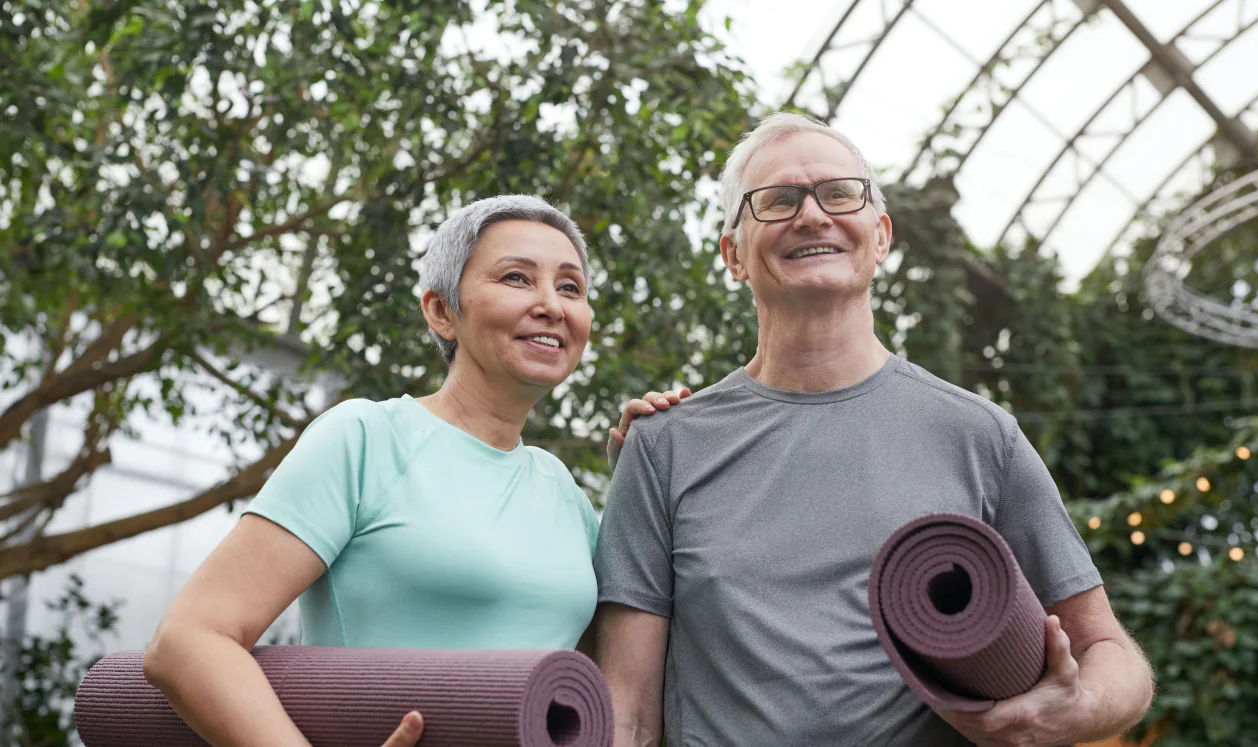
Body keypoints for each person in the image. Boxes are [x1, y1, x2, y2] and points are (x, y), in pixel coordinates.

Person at [593, 112, 1155, 747]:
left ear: (880, 236)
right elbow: (628, 714)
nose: (812, 216)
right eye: (777, 201)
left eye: (838, 193)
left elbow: (1111, 652)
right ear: (733, 255)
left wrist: (1072, 711)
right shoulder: (665, 444)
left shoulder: (977, 434)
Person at [143, 195, 687, 747]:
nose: (551, 304)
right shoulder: (365, 439)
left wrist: (647, 480)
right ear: (441, 312)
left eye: (570, 287)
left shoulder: (566, 495)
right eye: (518, 278)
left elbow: (602, 696)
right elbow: (189, 640)